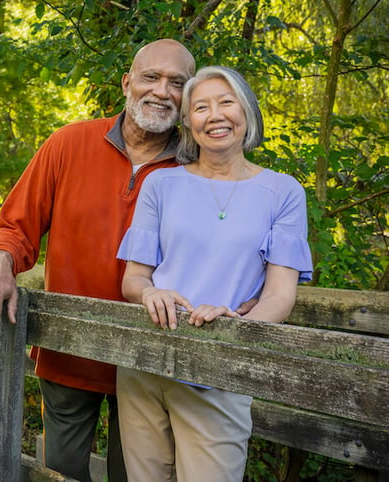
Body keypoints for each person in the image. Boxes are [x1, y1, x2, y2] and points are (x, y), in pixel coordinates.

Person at [0, 38, 196, 482]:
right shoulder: (69, 143)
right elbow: (15, 226)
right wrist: (0, 269)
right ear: (128, 83)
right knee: (62, 471)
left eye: (177, 83)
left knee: (133, 476)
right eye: (151, 77)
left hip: (152, 357)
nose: (162, 91)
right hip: (69, 346)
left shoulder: (196, 166)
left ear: (188, 96)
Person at [115, 65, 313, 482]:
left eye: (226, 102)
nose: (215, 115)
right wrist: (149, 294)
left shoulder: (284, 192)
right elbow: (134, 278)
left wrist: (236, 328)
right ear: (188, 122)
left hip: (219, 370)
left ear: (246, 111)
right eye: (201, 107)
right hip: (145, 362)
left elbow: (280, 295)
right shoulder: (160, 185)